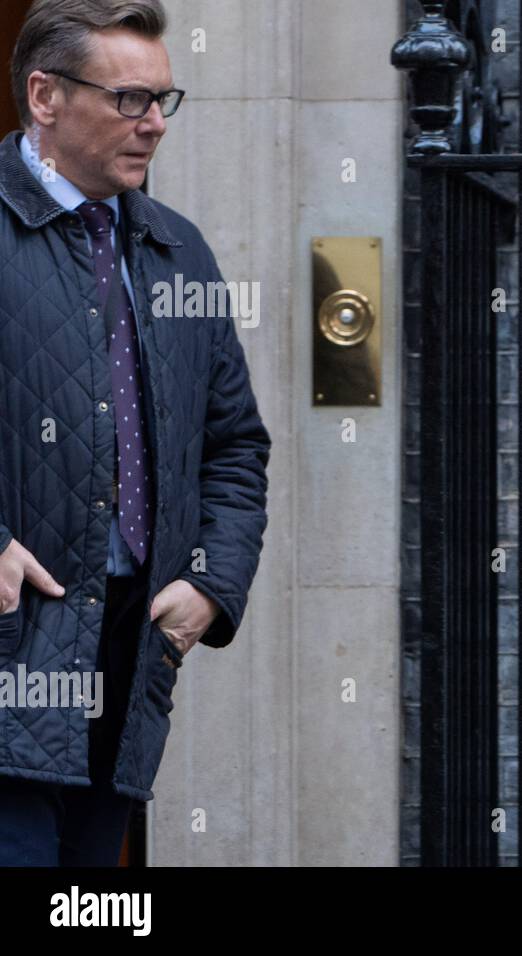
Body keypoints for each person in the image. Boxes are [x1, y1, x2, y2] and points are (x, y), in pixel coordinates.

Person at [0, 0, 270, 866]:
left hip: (129, 648)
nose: (154, 124)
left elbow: (235, 444)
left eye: (164, 100)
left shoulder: (175, 250)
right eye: (129, 99)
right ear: (44, 96)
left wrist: (212, 583)